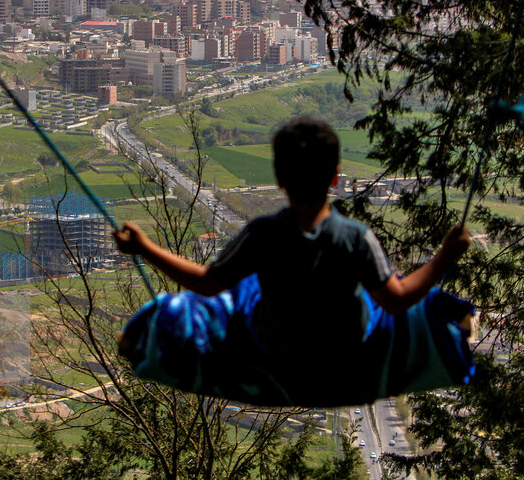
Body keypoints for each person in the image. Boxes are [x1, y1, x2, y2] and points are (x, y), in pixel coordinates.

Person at [114, 116, 475, 405]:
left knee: (234, 299)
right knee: (415, 304)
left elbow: (208, 284)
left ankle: (139, 340)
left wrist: (145, 248)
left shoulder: (263, 235)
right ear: (334, 176)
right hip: (344, 358)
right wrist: (445, 256)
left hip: (276, 354)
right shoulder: (355, 238)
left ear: (279, 178)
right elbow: (396, 300)